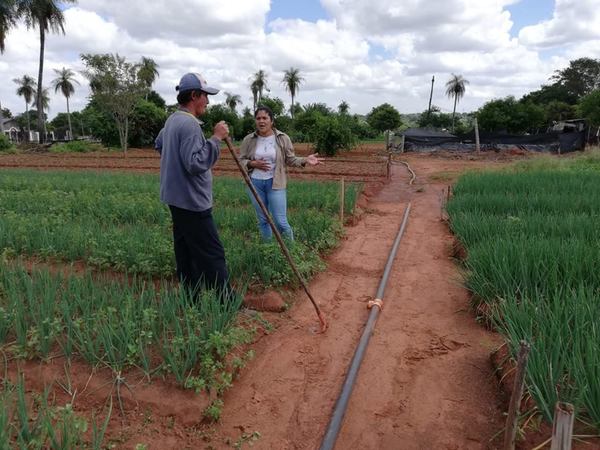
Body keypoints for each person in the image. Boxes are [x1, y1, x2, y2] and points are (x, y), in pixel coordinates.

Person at [155, 72, 231, 300]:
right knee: (212, 253)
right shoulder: (189, 125)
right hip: (193, 202)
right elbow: (195, 163)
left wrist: (174, 165)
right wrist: (216, 139)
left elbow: (159, 144)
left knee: (186, 251)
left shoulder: (172, 120)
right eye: (205, 96)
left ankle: (192, 298)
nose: (207, 101)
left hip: (175, 199)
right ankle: (226, 301)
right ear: (194, 95)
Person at [239, 106, 323, 241]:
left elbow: (290, 159)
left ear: (271, 121)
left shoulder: (282, 138)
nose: (261, 121)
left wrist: (305, 160)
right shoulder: (248, 140)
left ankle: (291, 251)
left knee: (281, 222)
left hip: (275, 183)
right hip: (255, 183)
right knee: (263, 220)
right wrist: (251, 163)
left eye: (265, 118)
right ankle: (269, 252)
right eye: (258, 118)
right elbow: (241, 160)